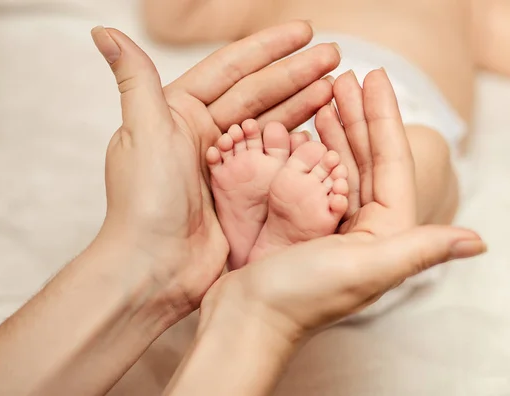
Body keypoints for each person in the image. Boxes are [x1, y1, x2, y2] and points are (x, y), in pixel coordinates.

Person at [0, 22, 485, 396]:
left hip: (365, 110)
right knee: (397, 158)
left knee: (412, 162)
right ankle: (299, 223)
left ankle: (326, 217)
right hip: (285, 107)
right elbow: (174, 16)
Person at [142, 0, 503, 313]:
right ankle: (277, 226)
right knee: (250, 148)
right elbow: (174, 19)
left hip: (399, 121)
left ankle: (344, 217)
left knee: (425, 155)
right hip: (286, 112)